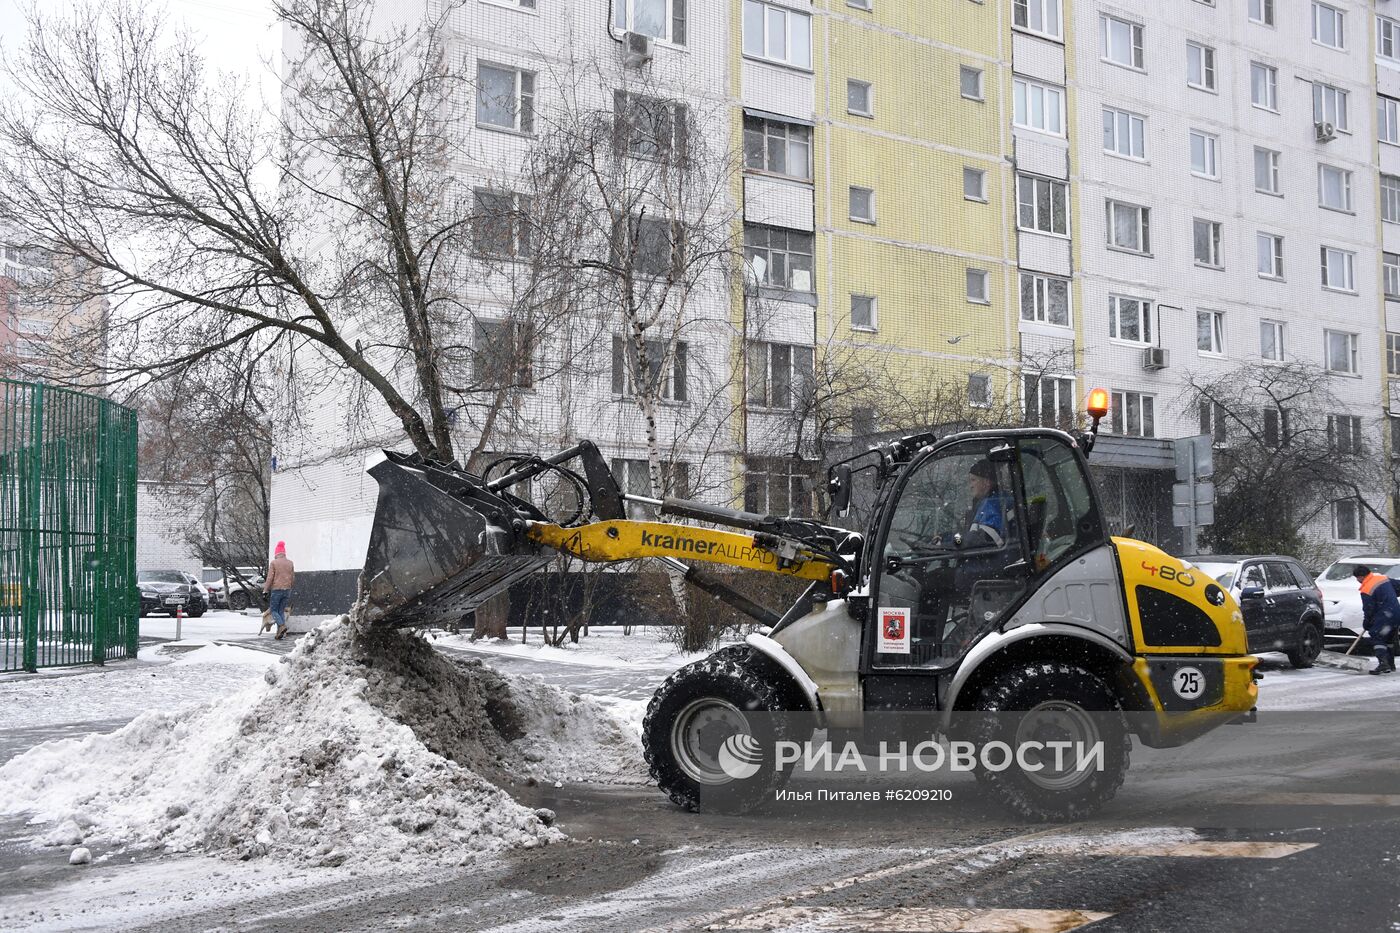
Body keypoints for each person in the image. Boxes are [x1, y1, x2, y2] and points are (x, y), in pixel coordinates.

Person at [1352, 565, 1398, 675]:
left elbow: (1368, 609)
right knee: (1389, 639)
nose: (1357, 580)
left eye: (1357, 578)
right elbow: (1398, 587)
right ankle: (1390, 665)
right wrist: (1389, 597)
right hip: (1396, 613)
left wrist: (1366, 623)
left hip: (1384, 615)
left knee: (1377, 636)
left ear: (1361, 577)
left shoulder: (1366, 589)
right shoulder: (1382, 578)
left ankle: (1383, 664)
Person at [263, 541, 296, 641]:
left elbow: (270, 578)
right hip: (287, 590)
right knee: (280, 611)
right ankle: (279, 633)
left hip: (277, 590)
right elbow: (293, 578)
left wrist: (265, 590)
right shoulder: (290, 563)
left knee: (274, 610)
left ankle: (281, 626)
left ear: (276, 553)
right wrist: (290, 586)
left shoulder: (274, 563)